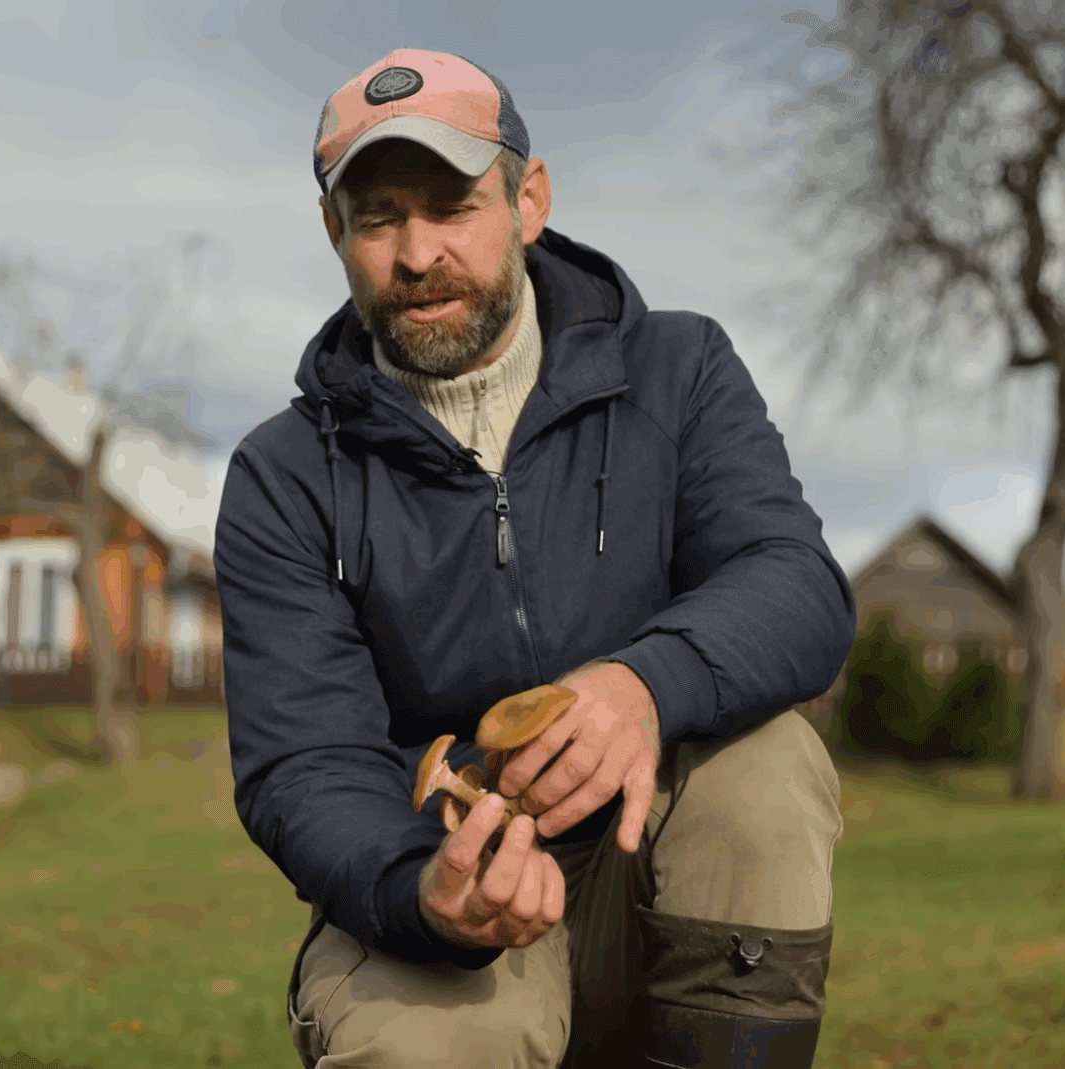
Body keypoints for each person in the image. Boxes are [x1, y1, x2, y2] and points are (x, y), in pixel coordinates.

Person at [214, 48, 854, 1069]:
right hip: (440, 884)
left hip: (655, 872)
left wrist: (641, 687)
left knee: (765, 766)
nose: (418, 253)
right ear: (336, 231)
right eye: (378, 216)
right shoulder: (283, 474)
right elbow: (304, 761)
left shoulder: (679, 370)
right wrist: (419, 888)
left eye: (453, 204)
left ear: (528, 200)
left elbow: (794, 582)